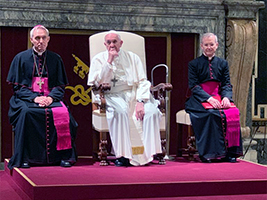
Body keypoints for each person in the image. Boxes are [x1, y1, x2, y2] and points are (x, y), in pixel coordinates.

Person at [7, 25, 78, 169]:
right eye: (37, 38)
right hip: (26, 99)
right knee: (27, 113)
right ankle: (25, 157)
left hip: (50, 98)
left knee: (64, 114)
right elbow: (18, 88)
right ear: (31, 39)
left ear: (48, 39)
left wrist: (50, 98)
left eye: (43, 38)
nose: (40, 41)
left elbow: (59, 86)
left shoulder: (55, 58)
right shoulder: (20, 58)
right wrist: (35, 98)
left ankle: (64, 156)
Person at [88, 30, 162, 166]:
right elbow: (97, 83)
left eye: (114, 42)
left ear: (120, 43)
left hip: (134, 93)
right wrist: (109, 61)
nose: (112, 45)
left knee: (151, 111)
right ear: (105, 44)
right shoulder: (98, 59)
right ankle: (123, 155)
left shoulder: (133, 57)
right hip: (111, 94)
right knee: (120, 112)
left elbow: (143, 81)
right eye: (109, 42)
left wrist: (140, 101)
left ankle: (148, 154)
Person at [185, 33, 243, 163]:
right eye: (206, 45)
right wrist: (208, 99)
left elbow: (227, 83)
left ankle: (230, 153)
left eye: (211, 44)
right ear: (201, 46)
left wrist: (227, 98)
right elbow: (193, 86)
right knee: (211, 114)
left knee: (233, 112)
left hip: (219, 97)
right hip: (199, 99)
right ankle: (210, 154)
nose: (209, 47)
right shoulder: (194, 64)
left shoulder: (223, 63)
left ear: (216, 45)